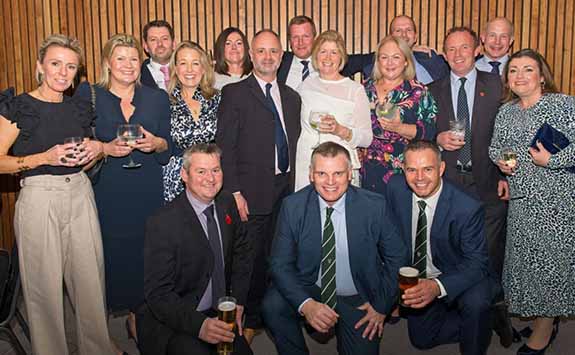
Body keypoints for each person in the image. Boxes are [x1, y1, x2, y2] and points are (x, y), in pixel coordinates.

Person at [0, 34, 116, 355]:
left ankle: (98, 349)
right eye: (55, 64)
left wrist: (97, 150)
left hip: (79, 193)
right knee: (43, 291)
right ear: (40, 66)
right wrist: (43, 158)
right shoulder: (19, 106)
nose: (63, 73)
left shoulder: (78, 106)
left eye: (70, 67)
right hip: (39, 197)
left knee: (90, 284)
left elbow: (88, 150)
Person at [263, 142, 408, 355]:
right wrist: (306, 304)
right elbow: (279, 264)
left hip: (358, 297)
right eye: (322, 173)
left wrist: (381, 306)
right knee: (272, 306)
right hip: (311, 287)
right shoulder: (293, 206)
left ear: (350, 174)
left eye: (338, 173)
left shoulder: (374, 206)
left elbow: (398, 257)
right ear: (311, 174)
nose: (330, 182)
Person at [75, 33, 171, 345]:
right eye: (120, 58)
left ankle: (139, 318)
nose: (128, 65)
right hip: (109, 190)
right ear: (107, 63)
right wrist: (104, 147)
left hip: (147, 190)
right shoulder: (89, 95)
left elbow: (168, 147)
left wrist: (156, 143)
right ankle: (108, 329)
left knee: (147, 255)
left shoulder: (156, 97)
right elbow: (78, 143)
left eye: (132, 58)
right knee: (110, 256)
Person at [429, 26, 513, 347]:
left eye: (464, 47)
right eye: (451, 49)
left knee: (489, 257)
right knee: (454, 253)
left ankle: (488, 311)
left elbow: (510, 133)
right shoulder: (432, 89)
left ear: (477, 49)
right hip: (448, 185)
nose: (458, 54)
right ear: (444, 52)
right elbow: (420, 131)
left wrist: (507, 174)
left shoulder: (498, 85)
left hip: (489, 185)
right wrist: (437, 140)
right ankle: (470, 313)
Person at [216, 29, 301, 341]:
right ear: (252, 55)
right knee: (246, 260)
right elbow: (225, 146)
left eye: (273, 51)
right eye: (261, 51)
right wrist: (234, 191)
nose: (267, 57)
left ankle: (267, 314)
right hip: (249, 193)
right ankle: (245, 320)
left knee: (275, 256)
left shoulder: (292, 98)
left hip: (284, 192)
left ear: (281, 56)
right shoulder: (235, 93)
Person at [489, 49, 574, 355]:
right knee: (529, 265)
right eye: (513, 71)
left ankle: (544, 328)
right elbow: (496, 147)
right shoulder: (506, 111)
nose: (520, 76)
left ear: (541, 75)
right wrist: (502, 163)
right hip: (522, 201)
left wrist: (553, 159)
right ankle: (544, 319)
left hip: (556, 202)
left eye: (527, 69)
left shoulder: (563, 105)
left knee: (550, 266)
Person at [137, 144, 253, 355]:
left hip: (222, 312)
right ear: (184, 175)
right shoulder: (162, 222)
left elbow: (242, 255)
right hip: (181, 318)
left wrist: (238, 301)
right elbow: (158, 293)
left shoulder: (227, 203)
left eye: (215, 170)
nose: (210, 178)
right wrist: (200, 325)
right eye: (201, 171)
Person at [386, 140, 493, 355]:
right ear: (403, 169)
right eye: (411, 170)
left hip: (459, 271)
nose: (419, 178)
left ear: (441, 169)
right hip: (420, 274)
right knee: (422, 339)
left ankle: (480, 327)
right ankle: (485, 324)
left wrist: (436, 287)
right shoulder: (395, 188)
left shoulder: (467, 207)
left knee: (477, 303)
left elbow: (477, 263)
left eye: (427, 169)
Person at [294, 30, 372, 191]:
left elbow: (366, 138)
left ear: (341, 57)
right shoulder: (305, 86)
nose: (328, 58)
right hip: (307, 164)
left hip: (338, 167)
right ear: (316, 56)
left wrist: (340, 130)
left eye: (334, 52)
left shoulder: (355, 90)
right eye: (323, 52)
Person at [359, 35, 437, 194]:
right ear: (377, 61)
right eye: (384, 57)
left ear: (406, 61)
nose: (389, 63)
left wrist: (399, 127)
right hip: (365, 173)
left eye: (396, 57)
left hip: (403, 175)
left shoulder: (418, 91)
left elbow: (430, 132)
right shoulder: (362, 89)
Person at [163, 41, 221, 202]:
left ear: (203, 68)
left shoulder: (218, 99)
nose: (189, 70)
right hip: (176, 180)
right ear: (175, 68)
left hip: (210, 179)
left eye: (195, 63)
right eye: (183, 63)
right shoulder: (163, 101)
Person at [344, 15, 450, 84]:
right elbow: (339, 63)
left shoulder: (431, 58)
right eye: (398, 30)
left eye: (408, 30)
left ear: (415, 37)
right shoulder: (376, 59)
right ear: (391, 36)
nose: (404, 35)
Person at [277, 15, 317, 90]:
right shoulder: (278, 62)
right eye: (295, 37)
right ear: (290, 40)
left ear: (314, 38)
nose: (300, 42)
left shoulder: (328, 62)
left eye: (305, 36)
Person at [141, 20, 176, 90]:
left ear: (174, 44)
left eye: (165, 39)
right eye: (153, 39)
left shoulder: (189, 71)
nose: (160, 44)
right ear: (146, 47)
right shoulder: (137, 75)